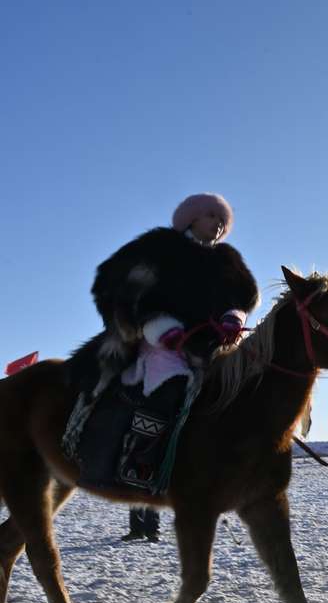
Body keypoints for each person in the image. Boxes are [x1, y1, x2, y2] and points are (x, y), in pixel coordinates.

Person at [78, 193, 259, 494]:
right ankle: (139, 459)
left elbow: (245, 298)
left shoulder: (229, 260)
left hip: (213, 346)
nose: (218, 224)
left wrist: (233, 318)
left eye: (222, 220)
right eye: (211, 216)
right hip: (159, 340)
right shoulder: (158, 247)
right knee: (170, 384)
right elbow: (115, 285)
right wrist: (158, 327)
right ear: (192, 218)